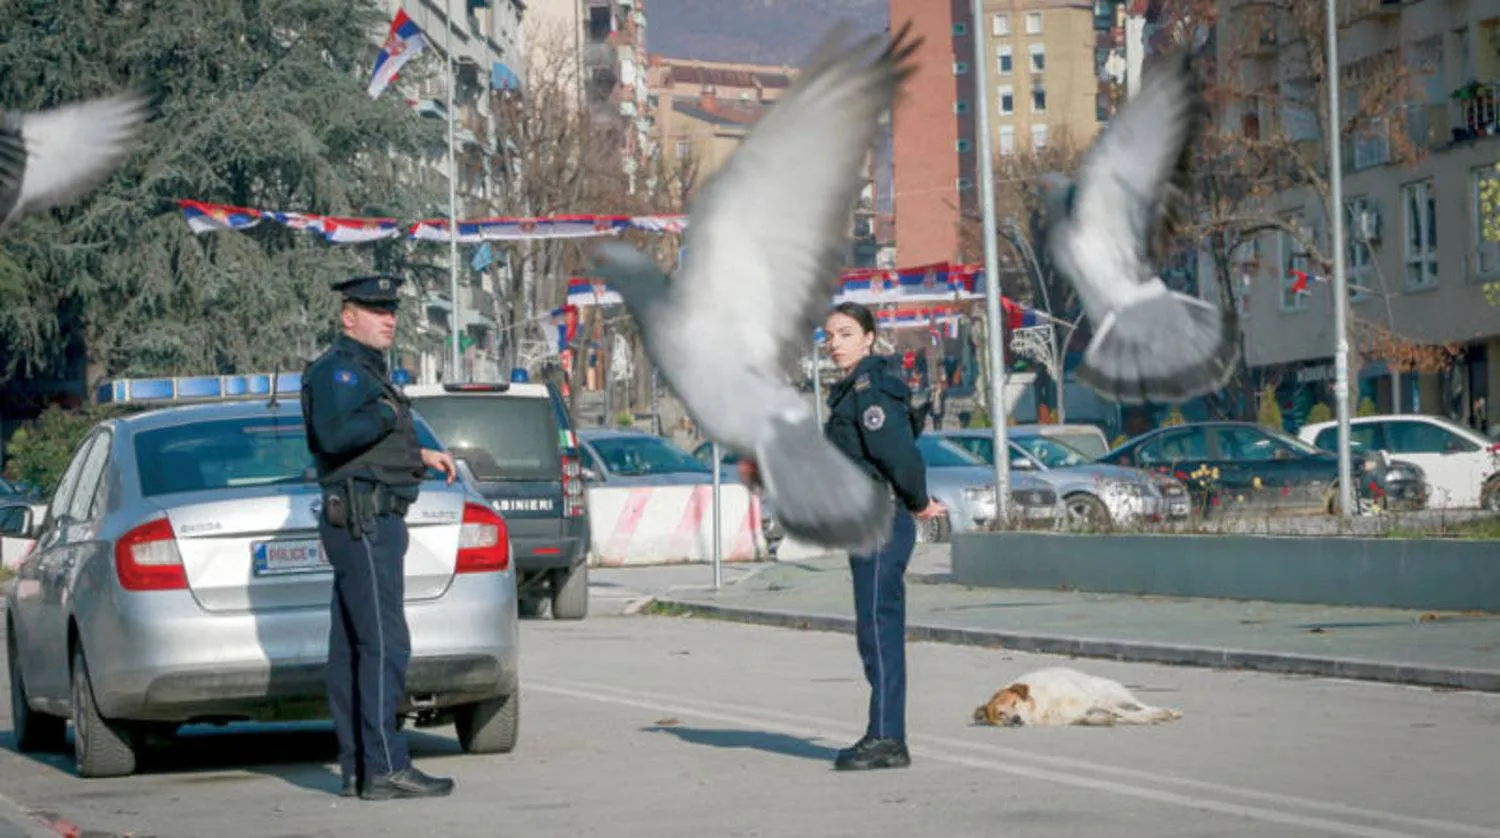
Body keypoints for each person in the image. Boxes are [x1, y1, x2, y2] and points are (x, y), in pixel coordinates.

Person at [740, 301, 946, 772]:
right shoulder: (852, 393)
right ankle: (884, 733)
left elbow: (900, 457)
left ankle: (888, 738)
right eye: (829, 335)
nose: (834, 343)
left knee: (880, 629)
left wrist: (918, 501)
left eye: (846, 334)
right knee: (872, 631)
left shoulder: (871, 393)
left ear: (870, 338)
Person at [301, 273, 458, 801]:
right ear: (349, 316)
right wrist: (388, 411)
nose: (389, 319)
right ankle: (387, 765)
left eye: (391, 310)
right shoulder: (340, 372)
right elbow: (337, 435)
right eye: (376, 310)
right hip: (364, 523)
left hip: (370, 520)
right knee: (385, 644)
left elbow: (369, 448)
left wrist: (419, 456)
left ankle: (358, 768)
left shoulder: (366, 370)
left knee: (352, 648)